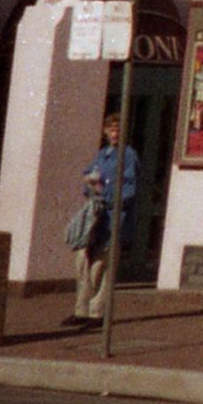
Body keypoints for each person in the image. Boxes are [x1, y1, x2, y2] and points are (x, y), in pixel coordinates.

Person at [72, 113, 139, 325]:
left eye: (118, 130)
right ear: (105, 131)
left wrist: (108, 197)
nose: (114, 133)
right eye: (111, 129)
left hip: (113, 217)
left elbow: (130, 188)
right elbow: (89, 177)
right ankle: (80, 309)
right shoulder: (102, 155)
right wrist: (90, 187)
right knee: (83, 261)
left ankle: (96, 312)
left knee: (102, 264)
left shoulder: (128, 155)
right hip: (96, 217)